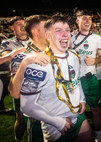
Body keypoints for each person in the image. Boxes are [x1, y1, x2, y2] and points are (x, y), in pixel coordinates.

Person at [20, 14, 93, 142]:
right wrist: (57, 122)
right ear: (48, 36)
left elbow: (76, 81)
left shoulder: (74, 55)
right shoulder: (37, 65)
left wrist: (81, 99)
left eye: (67, 30)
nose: (65, 34)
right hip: (55, 127)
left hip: (78, 117)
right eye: (58, 31)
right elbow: (26, 106)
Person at [8, 14, 50, 142]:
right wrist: (25, 63)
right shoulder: (22, 56)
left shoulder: (54, 50)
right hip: (36, 114)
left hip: (56, 109)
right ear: (35, 32)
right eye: (47, 28)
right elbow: (14, 92)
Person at [71, 9, 101, 142]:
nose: (87, 21)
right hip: (73, 80)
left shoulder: (98, 38)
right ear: (77, 20)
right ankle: (76, 135)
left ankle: (98, 137)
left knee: (96, 110)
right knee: (74, 110)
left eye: (89, 18)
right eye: (84, 18)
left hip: (89, 78)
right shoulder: (70, 38)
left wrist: (95, 60)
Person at [0, 16, 31, 140]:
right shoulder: (8, 43)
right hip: (20, 85)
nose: (23, 26)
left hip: (39, 82)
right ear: (12, 28)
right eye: (19, 24)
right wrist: (14, 54)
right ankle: (19, 139)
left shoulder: (35, 40)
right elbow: (4, 57)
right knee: (21, 117)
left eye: (24, 23)